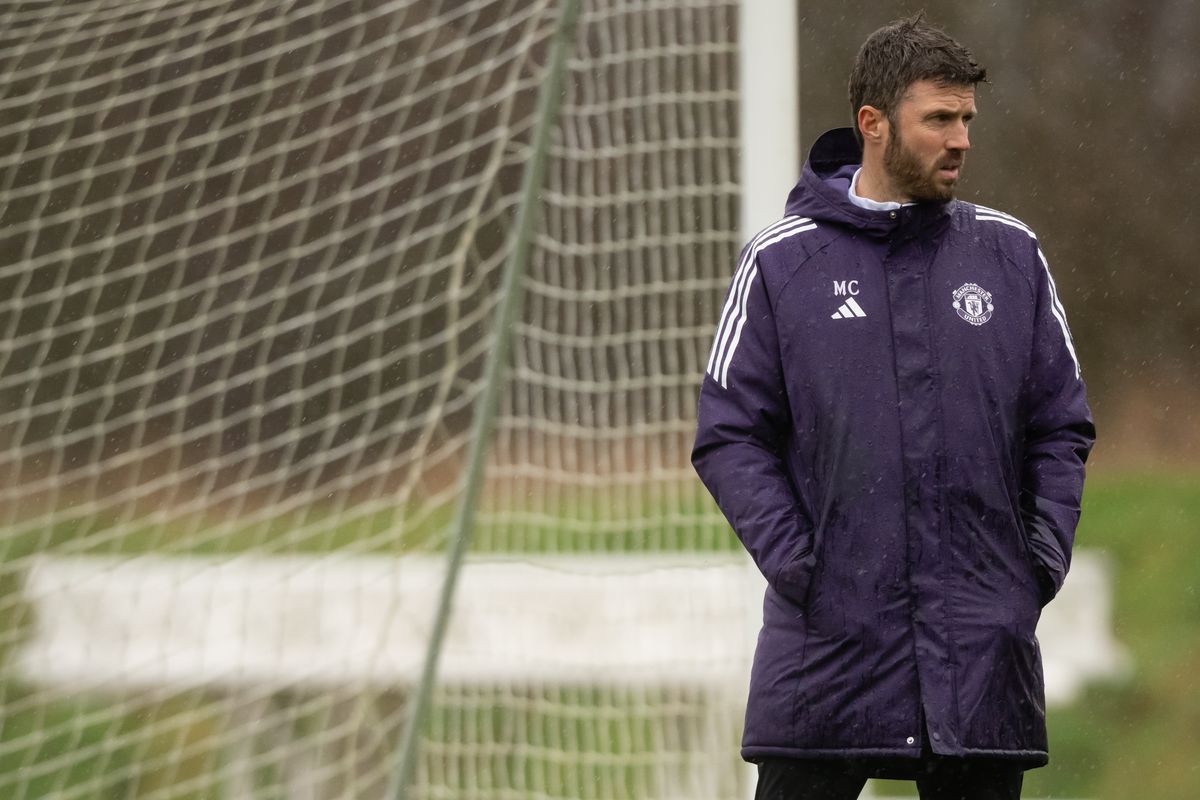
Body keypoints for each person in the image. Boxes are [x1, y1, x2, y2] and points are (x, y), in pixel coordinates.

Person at [691, 14, 1095, 800]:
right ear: (873, 124)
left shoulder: (1012, 257)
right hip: (829, 649)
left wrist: (1032, 569)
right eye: (939, 119)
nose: (961, 140)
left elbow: (1061, 426)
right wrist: (804, 566)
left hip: (982, 652)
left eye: (966, 119)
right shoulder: (782, 263)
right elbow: (729, 433)